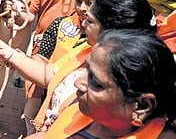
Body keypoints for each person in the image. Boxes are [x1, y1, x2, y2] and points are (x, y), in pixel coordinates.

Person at [0, 0, 156, 134]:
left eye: (90, 21)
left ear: (111, 30)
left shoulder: (123, 83)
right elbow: (50, 75)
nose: (79, 83)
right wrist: (8, 53)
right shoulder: (86, 51)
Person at [26, 29, 176, 138]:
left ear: (142, 105)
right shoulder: (82, 111)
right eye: (86, 70)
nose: (78, 83)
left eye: (96, 82)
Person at [37, 0, 115, 63]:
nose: (82, 8)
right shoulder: (59, 24)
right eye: (78, 1)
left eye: (89, 3)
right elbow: (42, 58)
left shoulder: (112, 37)